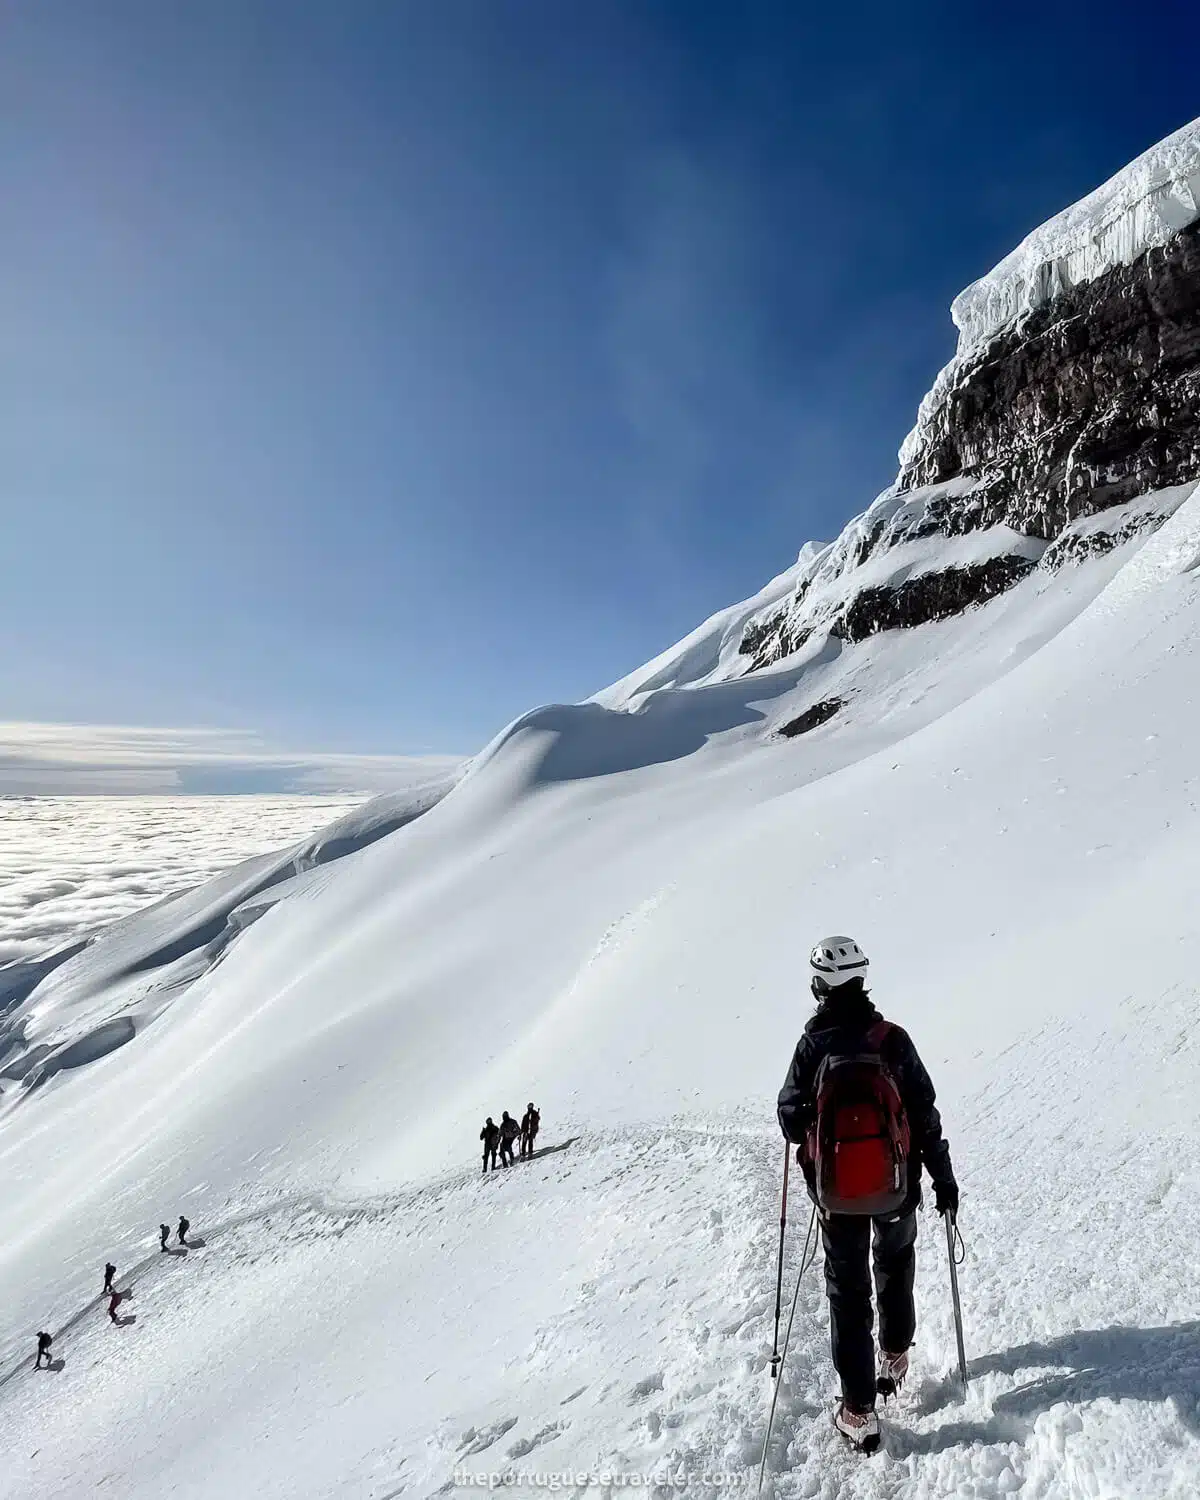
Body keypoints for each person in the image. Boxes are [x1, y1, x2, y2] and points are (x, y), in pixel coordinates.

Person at [777, 936, 958, 1453]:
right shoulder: (891, 1039)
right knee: (897, 1261)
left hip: (837, 1197)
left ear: (823, 986)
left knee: (847, 1292)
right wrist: (944, 1180)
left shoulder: (812, 1046)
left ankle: (858, 1411)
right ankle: (896, 1353)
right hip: (897, 1188)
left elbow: (790, 1120)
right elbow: (924, 1114)